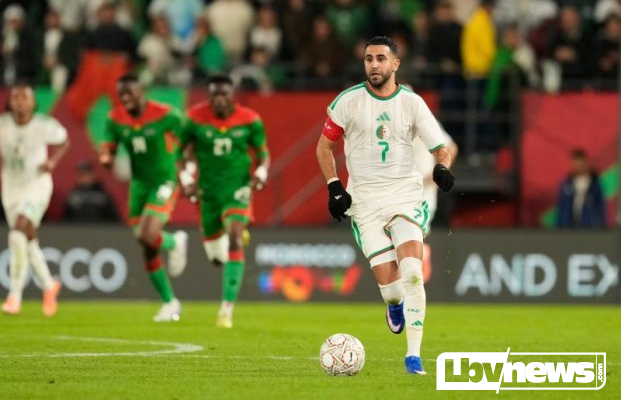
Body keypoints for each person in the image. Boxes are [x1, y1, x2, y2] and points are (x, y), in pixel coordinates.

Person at [315, 36, 455, 374]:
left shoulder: (412, 103)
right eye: (369, 59)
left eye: (381, 58)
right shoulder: (347, 102)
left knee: (413, 273)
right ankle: (394, 305)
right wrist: (334, 186)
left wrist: (441, 168)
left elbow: (442, 148)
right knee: (392, 291)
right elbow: (323, 148)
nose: (374, 64)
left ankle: (413, 357)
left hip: (405, 196)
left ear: (395, 64)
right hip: (364, 203)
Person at [180, 74, 270, 329]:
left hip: (238, 190)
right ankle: (233, 235)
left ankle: (226, 309)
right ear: (209, 97)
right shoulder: (194, 118)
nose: (219, 99)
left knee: (234, 237)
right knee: (217, 258)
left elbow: (263, 154)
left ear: (232, 96)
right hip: (207, 194)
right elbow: (179, 153)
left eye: (224, 94)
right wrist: (186, 179)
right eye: (214, 95)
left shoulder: (250, 120)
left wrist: (261, 172)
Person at [99, 74, 188, 322]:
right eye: (122, 94)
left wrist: (185, 168)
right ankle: (170, 302)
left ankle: (174, 242)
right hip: (138, 185)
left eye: (130, 93)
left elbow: (188, 137)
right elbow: (108, 144)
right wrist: (106, 156)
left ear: (142, 92)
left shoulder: (165, 114)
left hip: (164, 180)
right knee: (146, 244)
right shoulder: (116, 118)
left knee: (148, 234)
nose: (126, 98)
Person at [0, 83, 69, 316]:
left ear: (33, 103)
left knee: (18, 231)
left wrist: (53, 162)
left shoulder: (43, 125)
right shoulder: (3, 125)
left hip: (37, 186)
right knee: (27, 241)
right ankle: (49, 285)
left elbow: (65, 141)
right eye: (16, 97)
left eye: (25, 97)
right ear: (10, 103)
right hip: (11, 188)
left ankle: (14, 295)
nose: (20, 101)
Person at [413, 127, 458, 281]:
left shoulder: (423, 119)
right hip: (397, 192)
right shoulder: (388, 120)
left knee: (414, 238)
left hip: (423, 194)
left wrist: (439, 171)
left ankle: (420, 261)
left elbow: (451, 147)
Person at [556, 149, 606, 228]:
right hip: (568, 228)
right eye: (575, 163)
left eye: (579, 163)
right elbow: (561, 209)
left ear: (585, 162)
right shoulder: (566, 185)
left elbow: (601, 208)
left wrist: (600, 225)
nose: (577, 166)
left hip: (589, 228)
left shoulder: (595, 185)